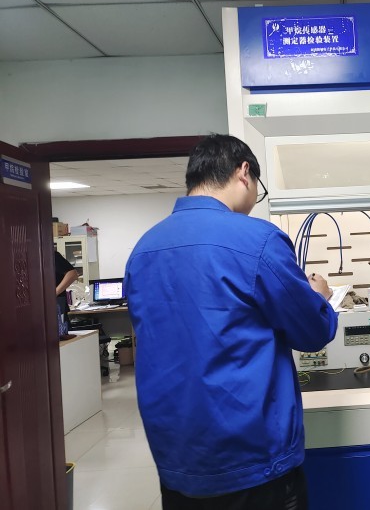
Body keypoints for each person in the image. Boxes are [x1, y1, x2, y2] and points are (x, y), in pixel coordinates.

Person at [124, 134, 338, 509]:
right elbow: (312, 331)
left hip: (177, 461)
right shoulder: (257, 239)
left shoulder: (143, 248)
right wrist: (319, 297)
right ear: (243, 172)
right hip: (253, 465)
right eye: (258, 186)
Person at [54, 250, 78, 338]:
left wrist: (54, 293)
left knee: (62, 339)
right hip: (38, 307)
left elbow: (72, 274)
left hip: (57, 306)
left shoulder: (50, 255)